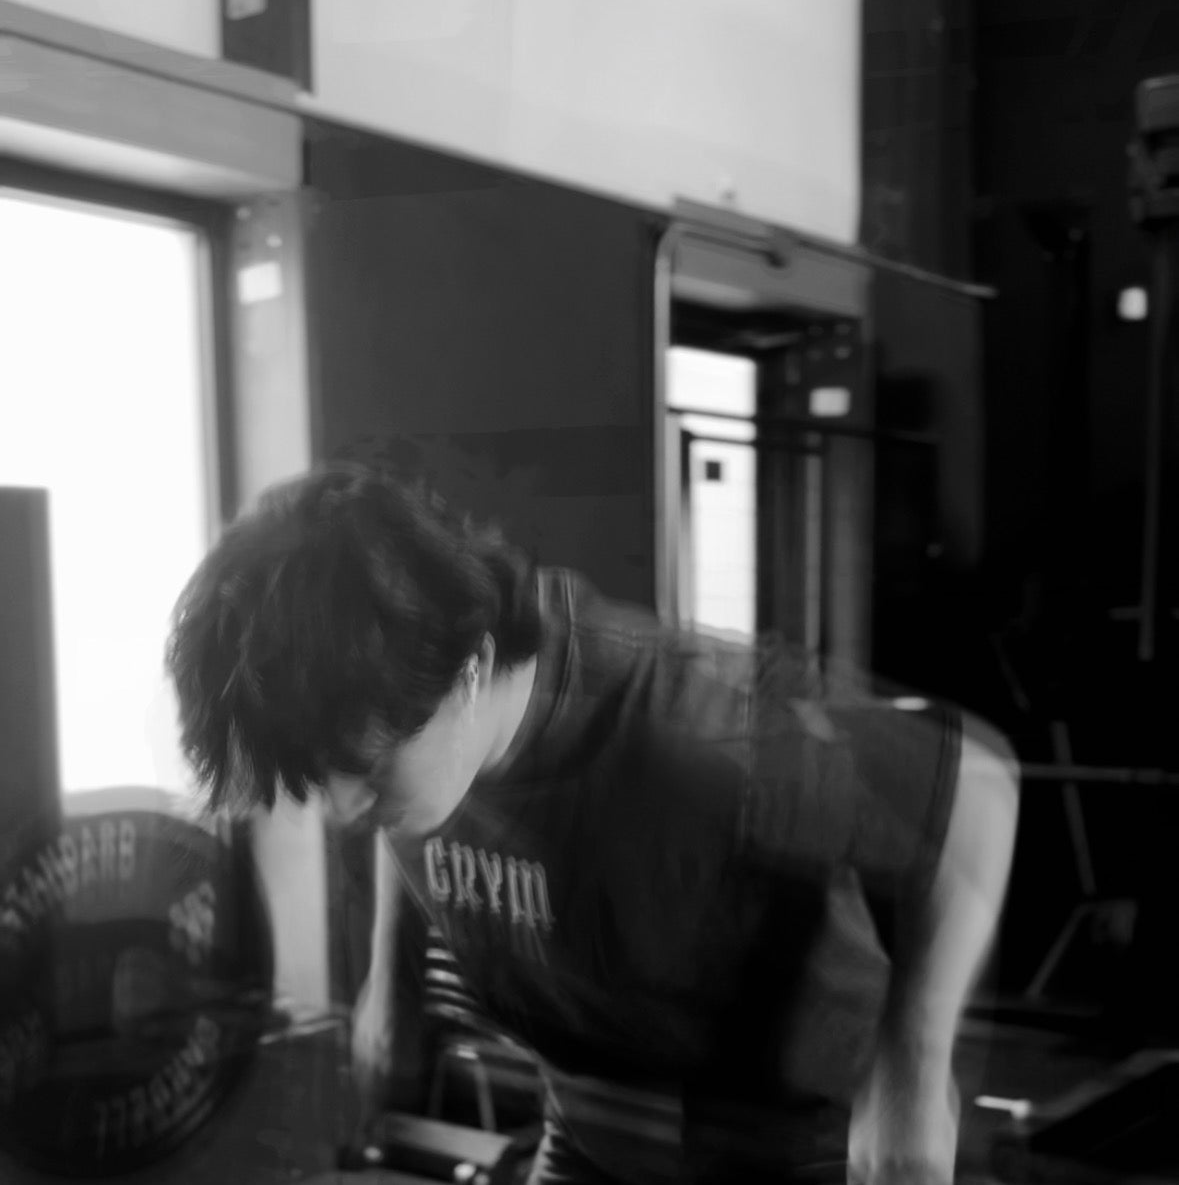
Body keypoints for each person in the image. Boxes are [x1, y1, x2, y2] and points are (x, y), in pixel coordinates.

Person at [166, 460, 1019, 1184]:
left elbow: (976, 788)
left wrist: (912, 1063)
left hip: (796, 1146)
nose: (344, 812)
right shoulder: (417, 727)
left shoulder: (694, 726)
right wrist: (390, 982)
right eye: (321, 779)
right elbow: (399, 813)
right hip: (595, 1132)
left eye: (368, 770)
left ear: (469, 672)